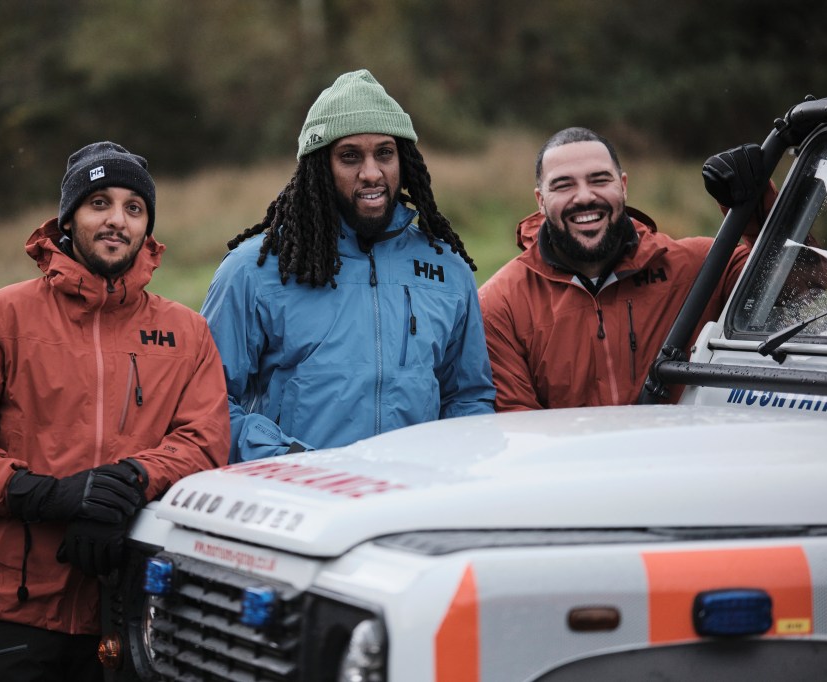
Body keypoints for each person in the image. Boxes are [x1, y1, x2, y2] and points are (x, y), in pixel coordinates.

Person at [0, 141, 230, 681]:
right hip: (8, 611)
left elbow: (204, 441)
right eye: (99, 203)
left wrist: (130, 479)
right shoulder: (0, 316)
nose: (117, 220)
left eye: (134, 208)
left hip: (131, 611)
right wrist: (43, 494)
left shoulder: (186, 332)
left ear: (147, 227)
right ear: (68, 218)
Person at [200, 69, 495, 463]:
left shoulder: (448, 270)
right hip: (297, 499)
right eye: (350, 156)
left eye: (384, 153)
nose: (371, 172)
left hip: (415, 501)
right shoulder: (252, 270)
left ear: (403, 160)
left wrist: (448, 468)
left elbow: (468, 396)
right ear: (321, 166)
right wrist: (288, 458)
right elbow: (206, 399)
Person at [479, 127, 772, 411]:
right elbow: (517, 428)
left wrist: (757, 210)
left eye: (599, 180)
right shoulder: (499, 303)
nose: (584, 197)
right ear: (541, 201)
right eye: (563, 185)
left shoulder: (702, 265)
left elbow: (803, 284)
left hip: (685, 458)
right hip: (571, 463)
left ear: (623, 186)